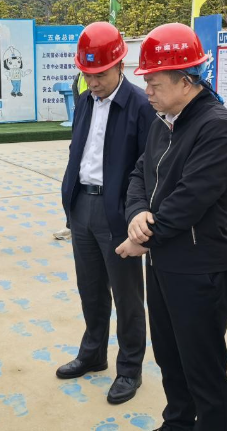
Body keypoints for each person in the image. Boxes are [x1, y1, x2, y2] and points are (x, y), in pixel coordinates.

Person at [116, 23, 227, 431]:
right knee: (170, 358)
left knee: (203, 369)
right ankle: (177, 424)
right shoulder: (163, 120)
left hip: (199, 269)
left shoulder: (216, 127)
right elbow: (139, 174)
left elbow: (191, 198)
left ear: (186, 81)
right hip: (163, 264)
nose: (147, 91)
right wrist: (136, 214)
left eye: (154, 83)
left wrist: (143, 238)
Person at [57, 21, 156, 404]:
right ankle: (93, 353)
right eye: (87, 74)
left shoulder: (141, 106)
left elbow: (148, 169)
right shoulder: (84, 101)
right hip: (82, 205)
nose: (93, 82)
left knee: (127, 297)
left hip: (119, 212)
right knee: (91, 289)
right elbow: (77, 152)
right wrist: (70, 201)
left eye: (100, 75)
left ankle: (129, 369)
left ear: (120, 65)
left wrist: (137, 216)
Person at [53, 71, 90, 241]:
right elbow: (78, 103)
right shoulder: (79, 77)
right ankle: (71, 224)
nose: (93, 81)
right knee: (70, 187)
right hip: (83, 125)